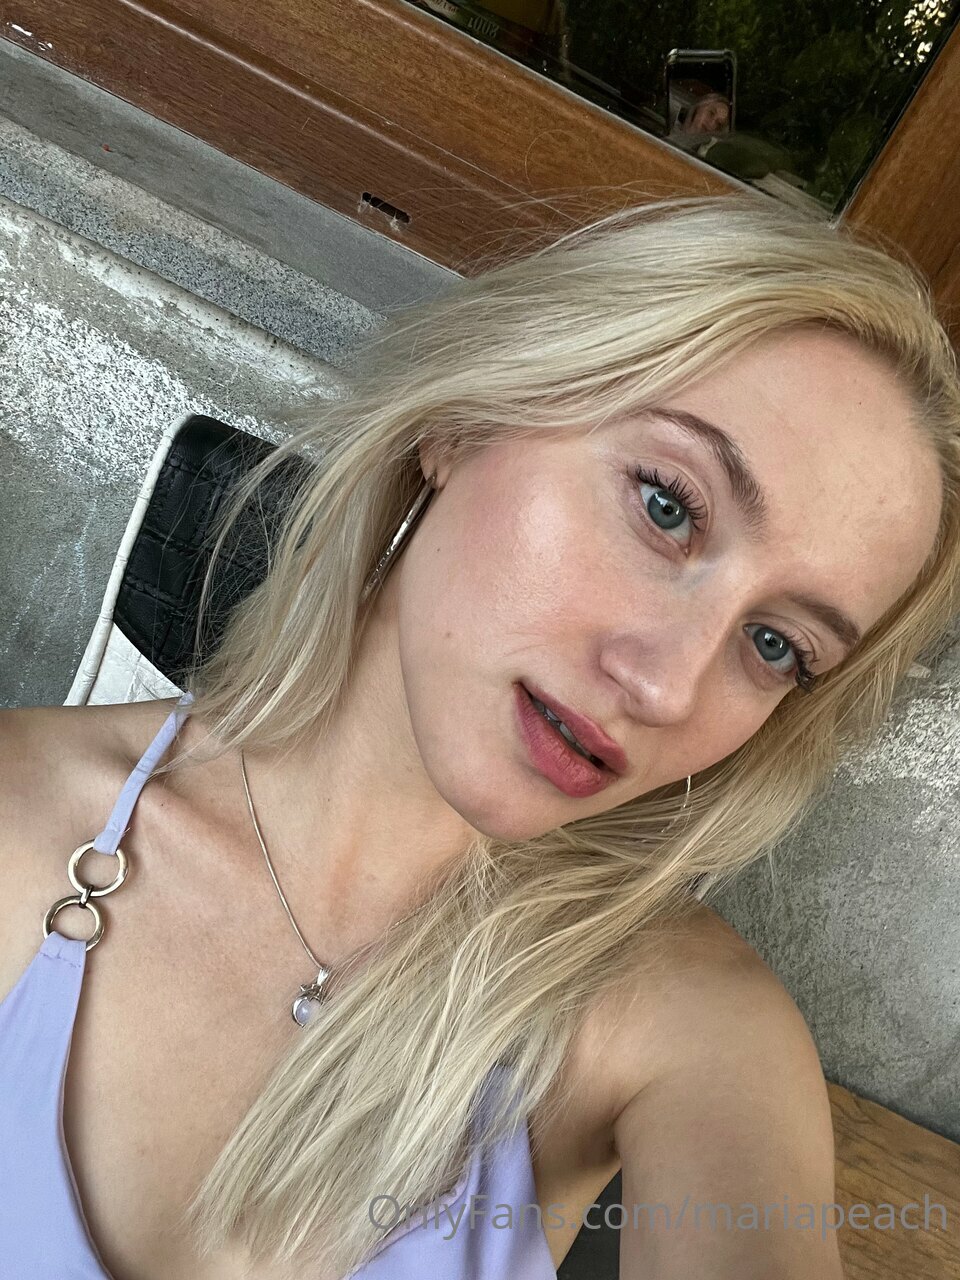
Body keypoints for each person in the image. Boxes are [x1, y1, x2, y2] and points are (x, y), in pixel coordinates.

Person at [1, 192, 958, 1280]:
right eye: (666, 505)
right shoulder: (20, 809)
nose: (664, 685)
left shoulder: (687, 1030)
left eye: (776, 644)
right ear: (463, 424)